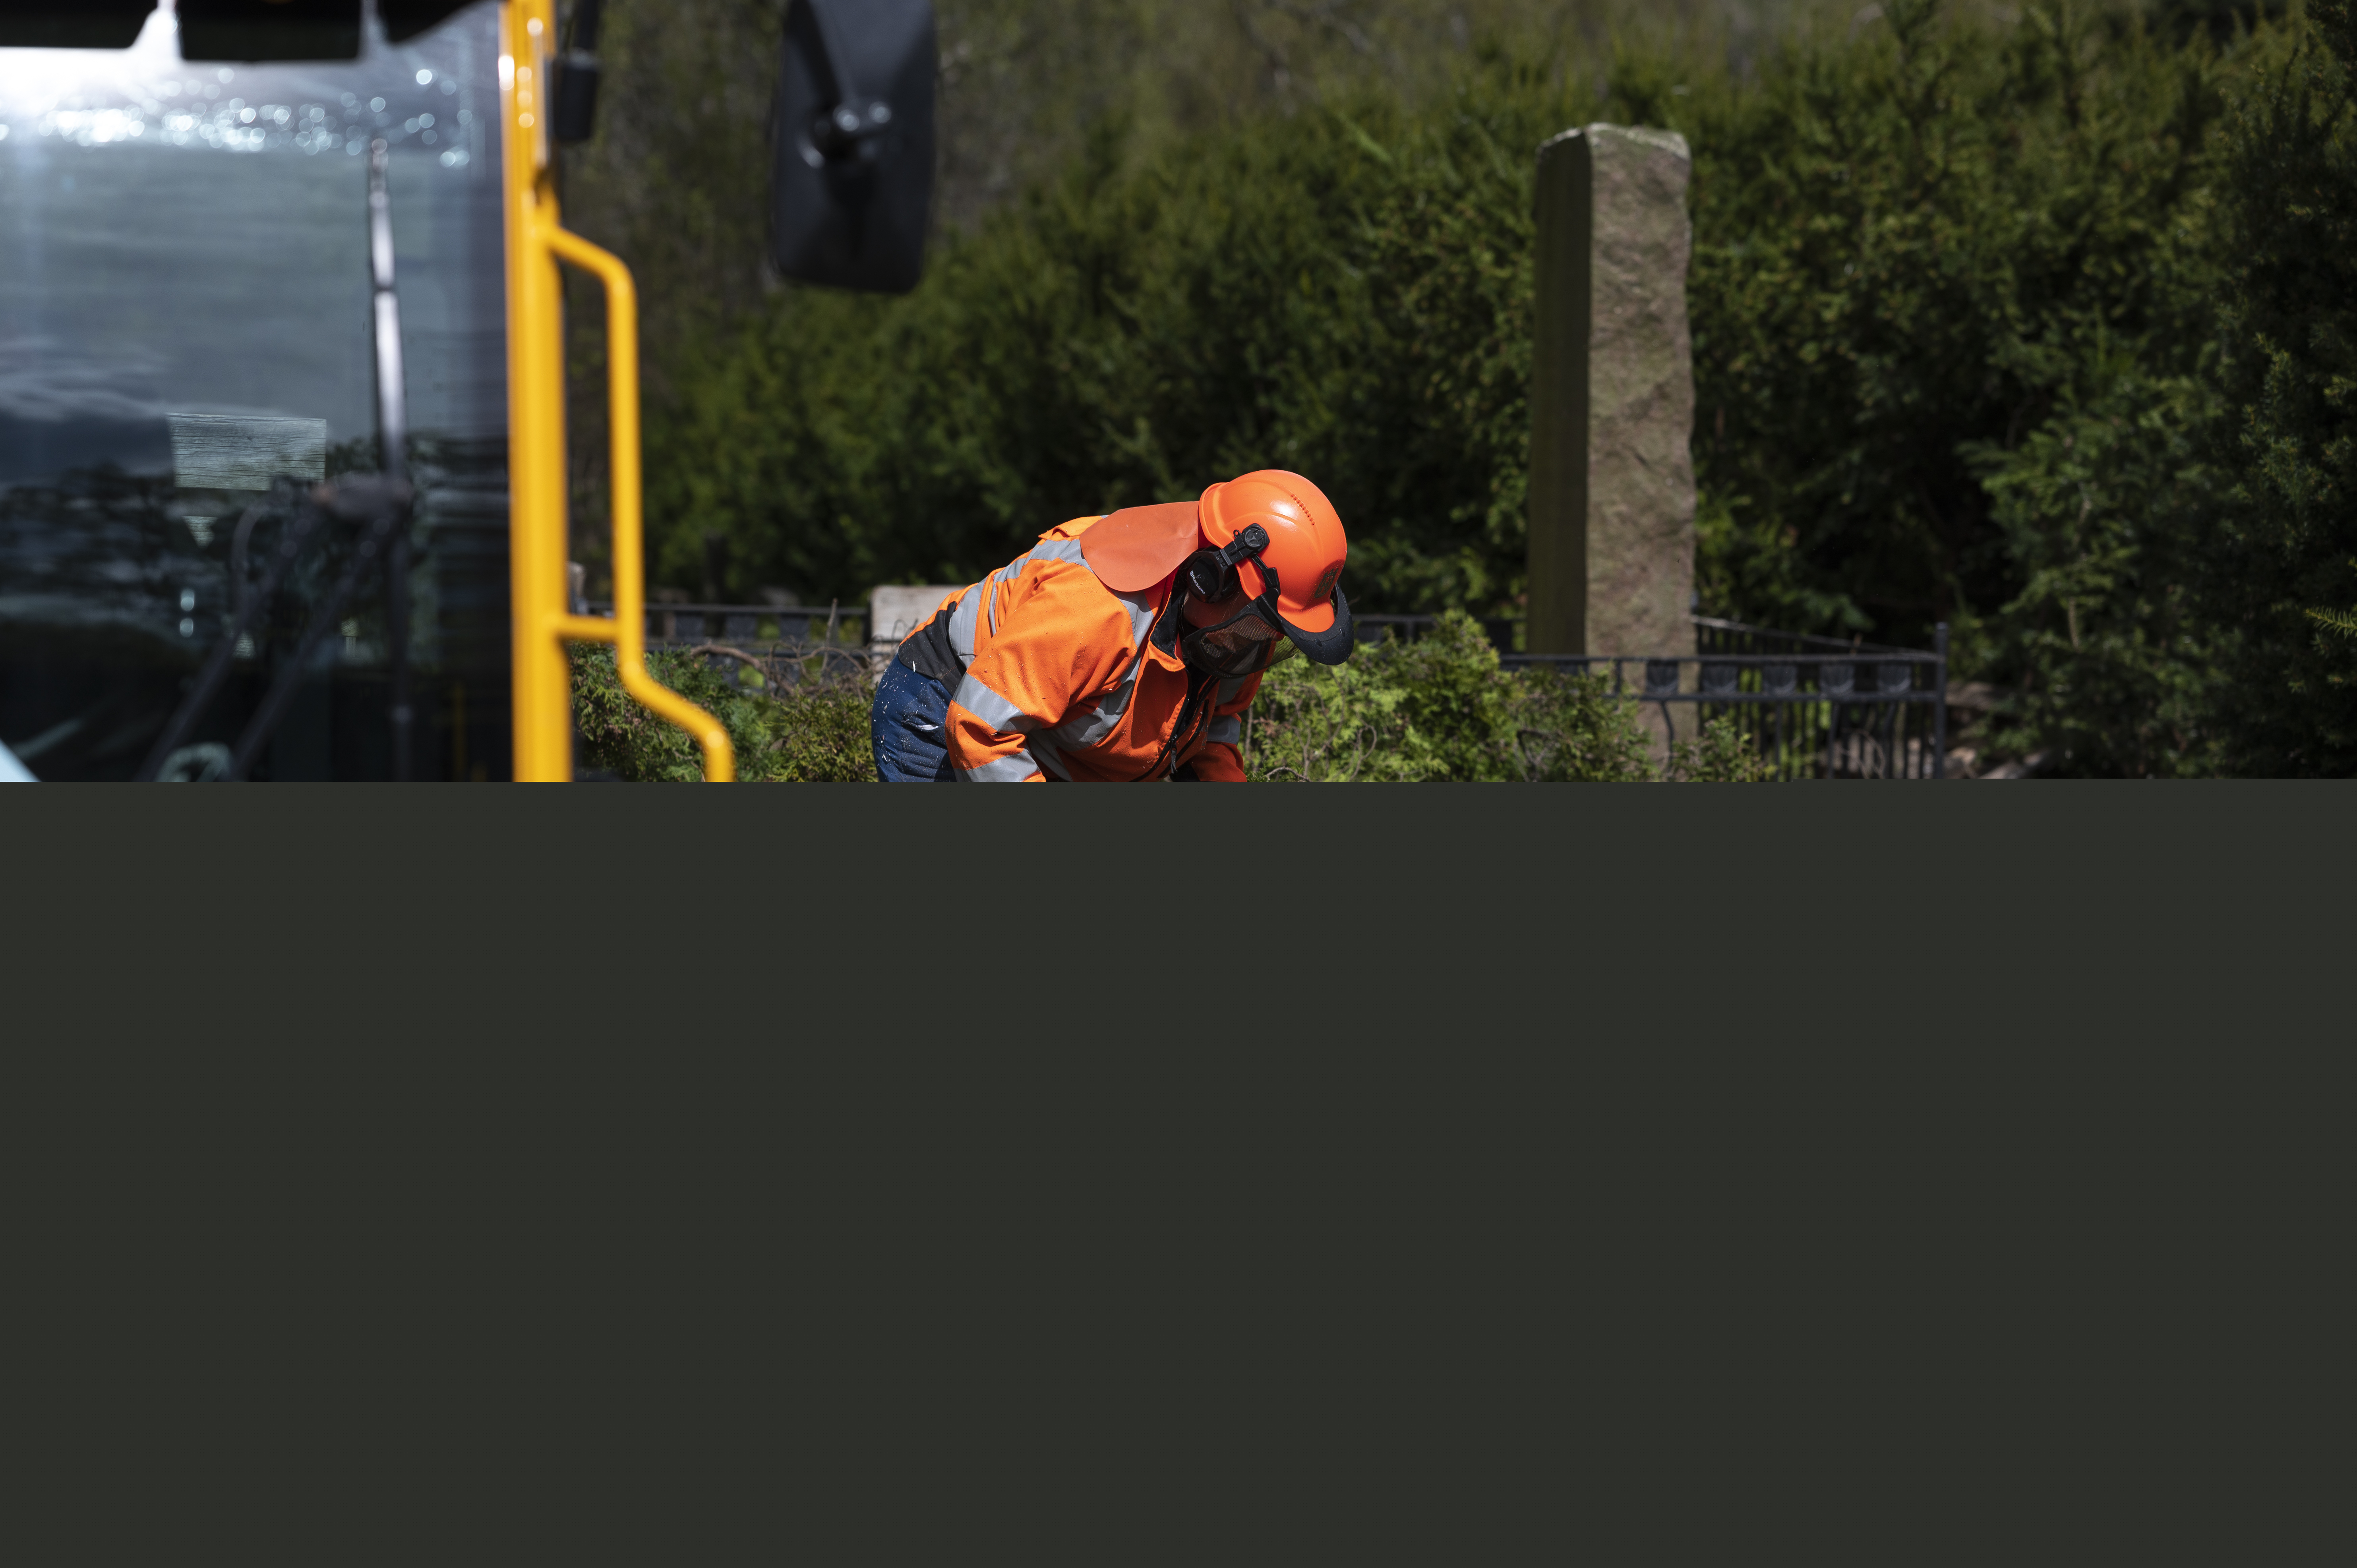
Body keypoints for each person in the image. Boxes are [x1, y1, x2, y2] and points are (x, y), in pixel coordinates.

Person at [870, 469, 1353, 782]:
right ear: (1209, 579)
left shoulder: (1237, 635)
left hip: (1048, 740)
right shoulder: (1099, 607)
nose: (1262, 643)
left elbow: (1215, 727)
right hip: (946, 709)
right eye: (1261, 625)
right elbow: (981, 726)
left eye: (1276, 633)